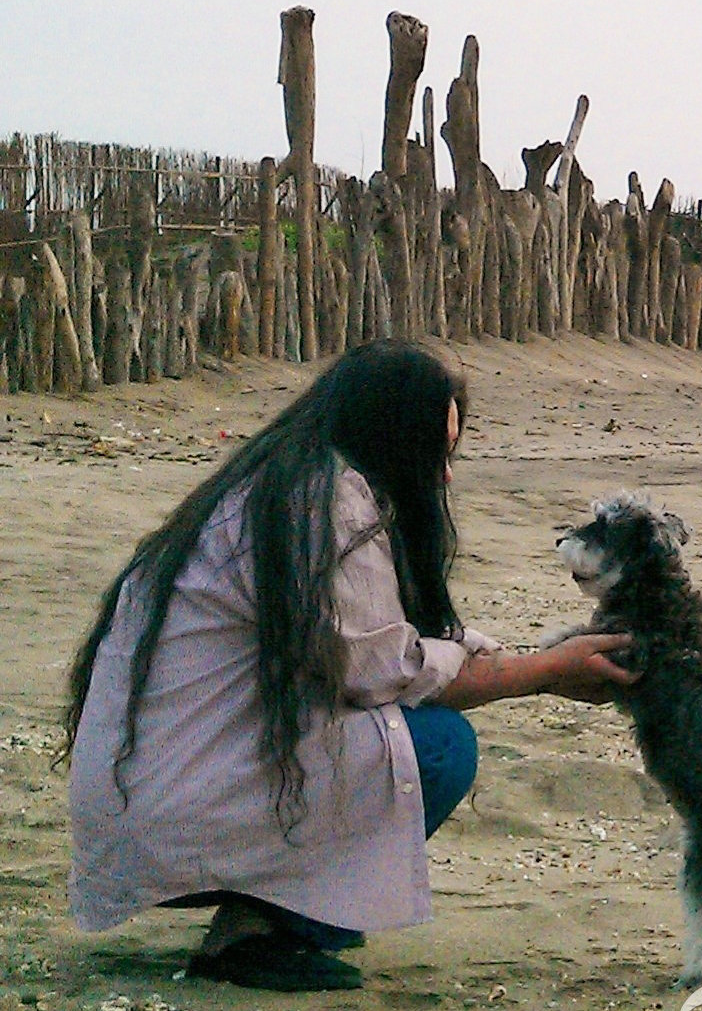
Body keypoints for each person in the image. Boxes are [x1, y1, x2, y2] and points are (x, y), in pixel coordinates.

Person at [60, 340, 633, 992]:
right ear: (389, 435)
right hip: (168, 815)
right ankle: (264, 933)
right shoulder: (321, 500)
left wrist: (499, 655)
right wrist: (547, 671)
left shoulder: (286, 477)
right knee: (438, 748)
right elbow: (381, 671)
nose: (443, 476)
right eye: (434, 452)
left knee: (405, 726)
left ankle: (284, 911)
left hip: (144, 802)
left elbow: (380, 640)